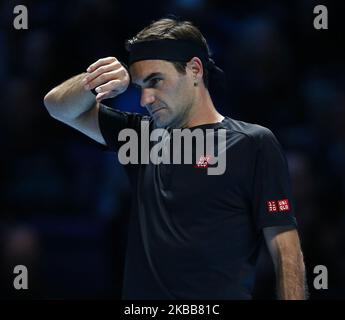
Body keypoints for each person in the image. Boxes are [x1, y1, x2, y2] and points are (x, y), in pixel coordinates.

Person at [43, 18, 307, 300]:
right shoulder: (139, 137)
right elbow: (58, 106)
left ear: (194, 69)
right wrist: (94, 81)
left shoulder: (253, 143)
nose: (145, 98)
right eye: (139, 86)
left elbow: (285, 250)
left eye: (155, 81)